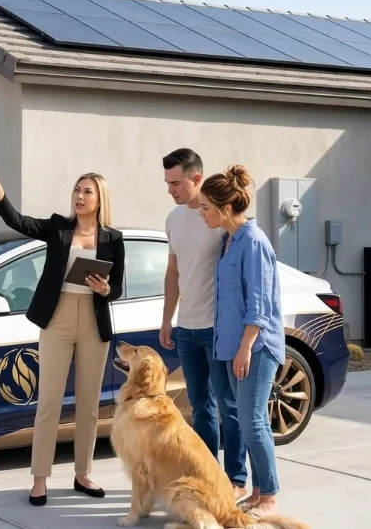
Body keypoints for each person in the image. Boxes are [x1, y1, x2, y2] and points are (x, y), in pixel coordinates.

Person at [0, 162, 126, 507]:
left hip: (93, 322)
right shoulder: (59, 227)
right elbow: (21, 223)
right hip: (57, 319)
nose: (79, 196)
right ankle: (40, 478)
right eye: (77, 189)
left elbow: (119, 286)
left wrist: (105, 288)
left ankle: (83, 474)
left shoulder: (113, 239)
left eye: (87, 191)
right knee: (49, 402)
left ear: (100, 197)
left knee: (90, 404)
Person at [159, 148, 248, 501]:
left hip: (217, 329)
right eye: (167, 183)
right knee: (200, 408)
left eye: (176, 183)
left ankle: (236, 479)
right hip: (187, 328)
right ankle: (207, 476)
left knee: (228, 405)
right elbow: (173, 271)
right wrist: (168, 320)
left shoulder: (219, 220)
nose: (170, 190)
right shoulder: (172, 219)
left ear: (197, 179)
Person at [198, 164, 285, 517]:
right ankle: (257, 492)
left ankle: (270, 498)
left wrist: (246, 346)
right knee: (245, 419)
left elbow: (259, 304)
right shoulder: (228, 240)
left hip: (257, 348)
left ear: (224, 207)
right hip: (233, 345)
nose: (201, 213)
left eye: (205, 207)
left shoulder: (254, 242)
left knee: (253, 420)